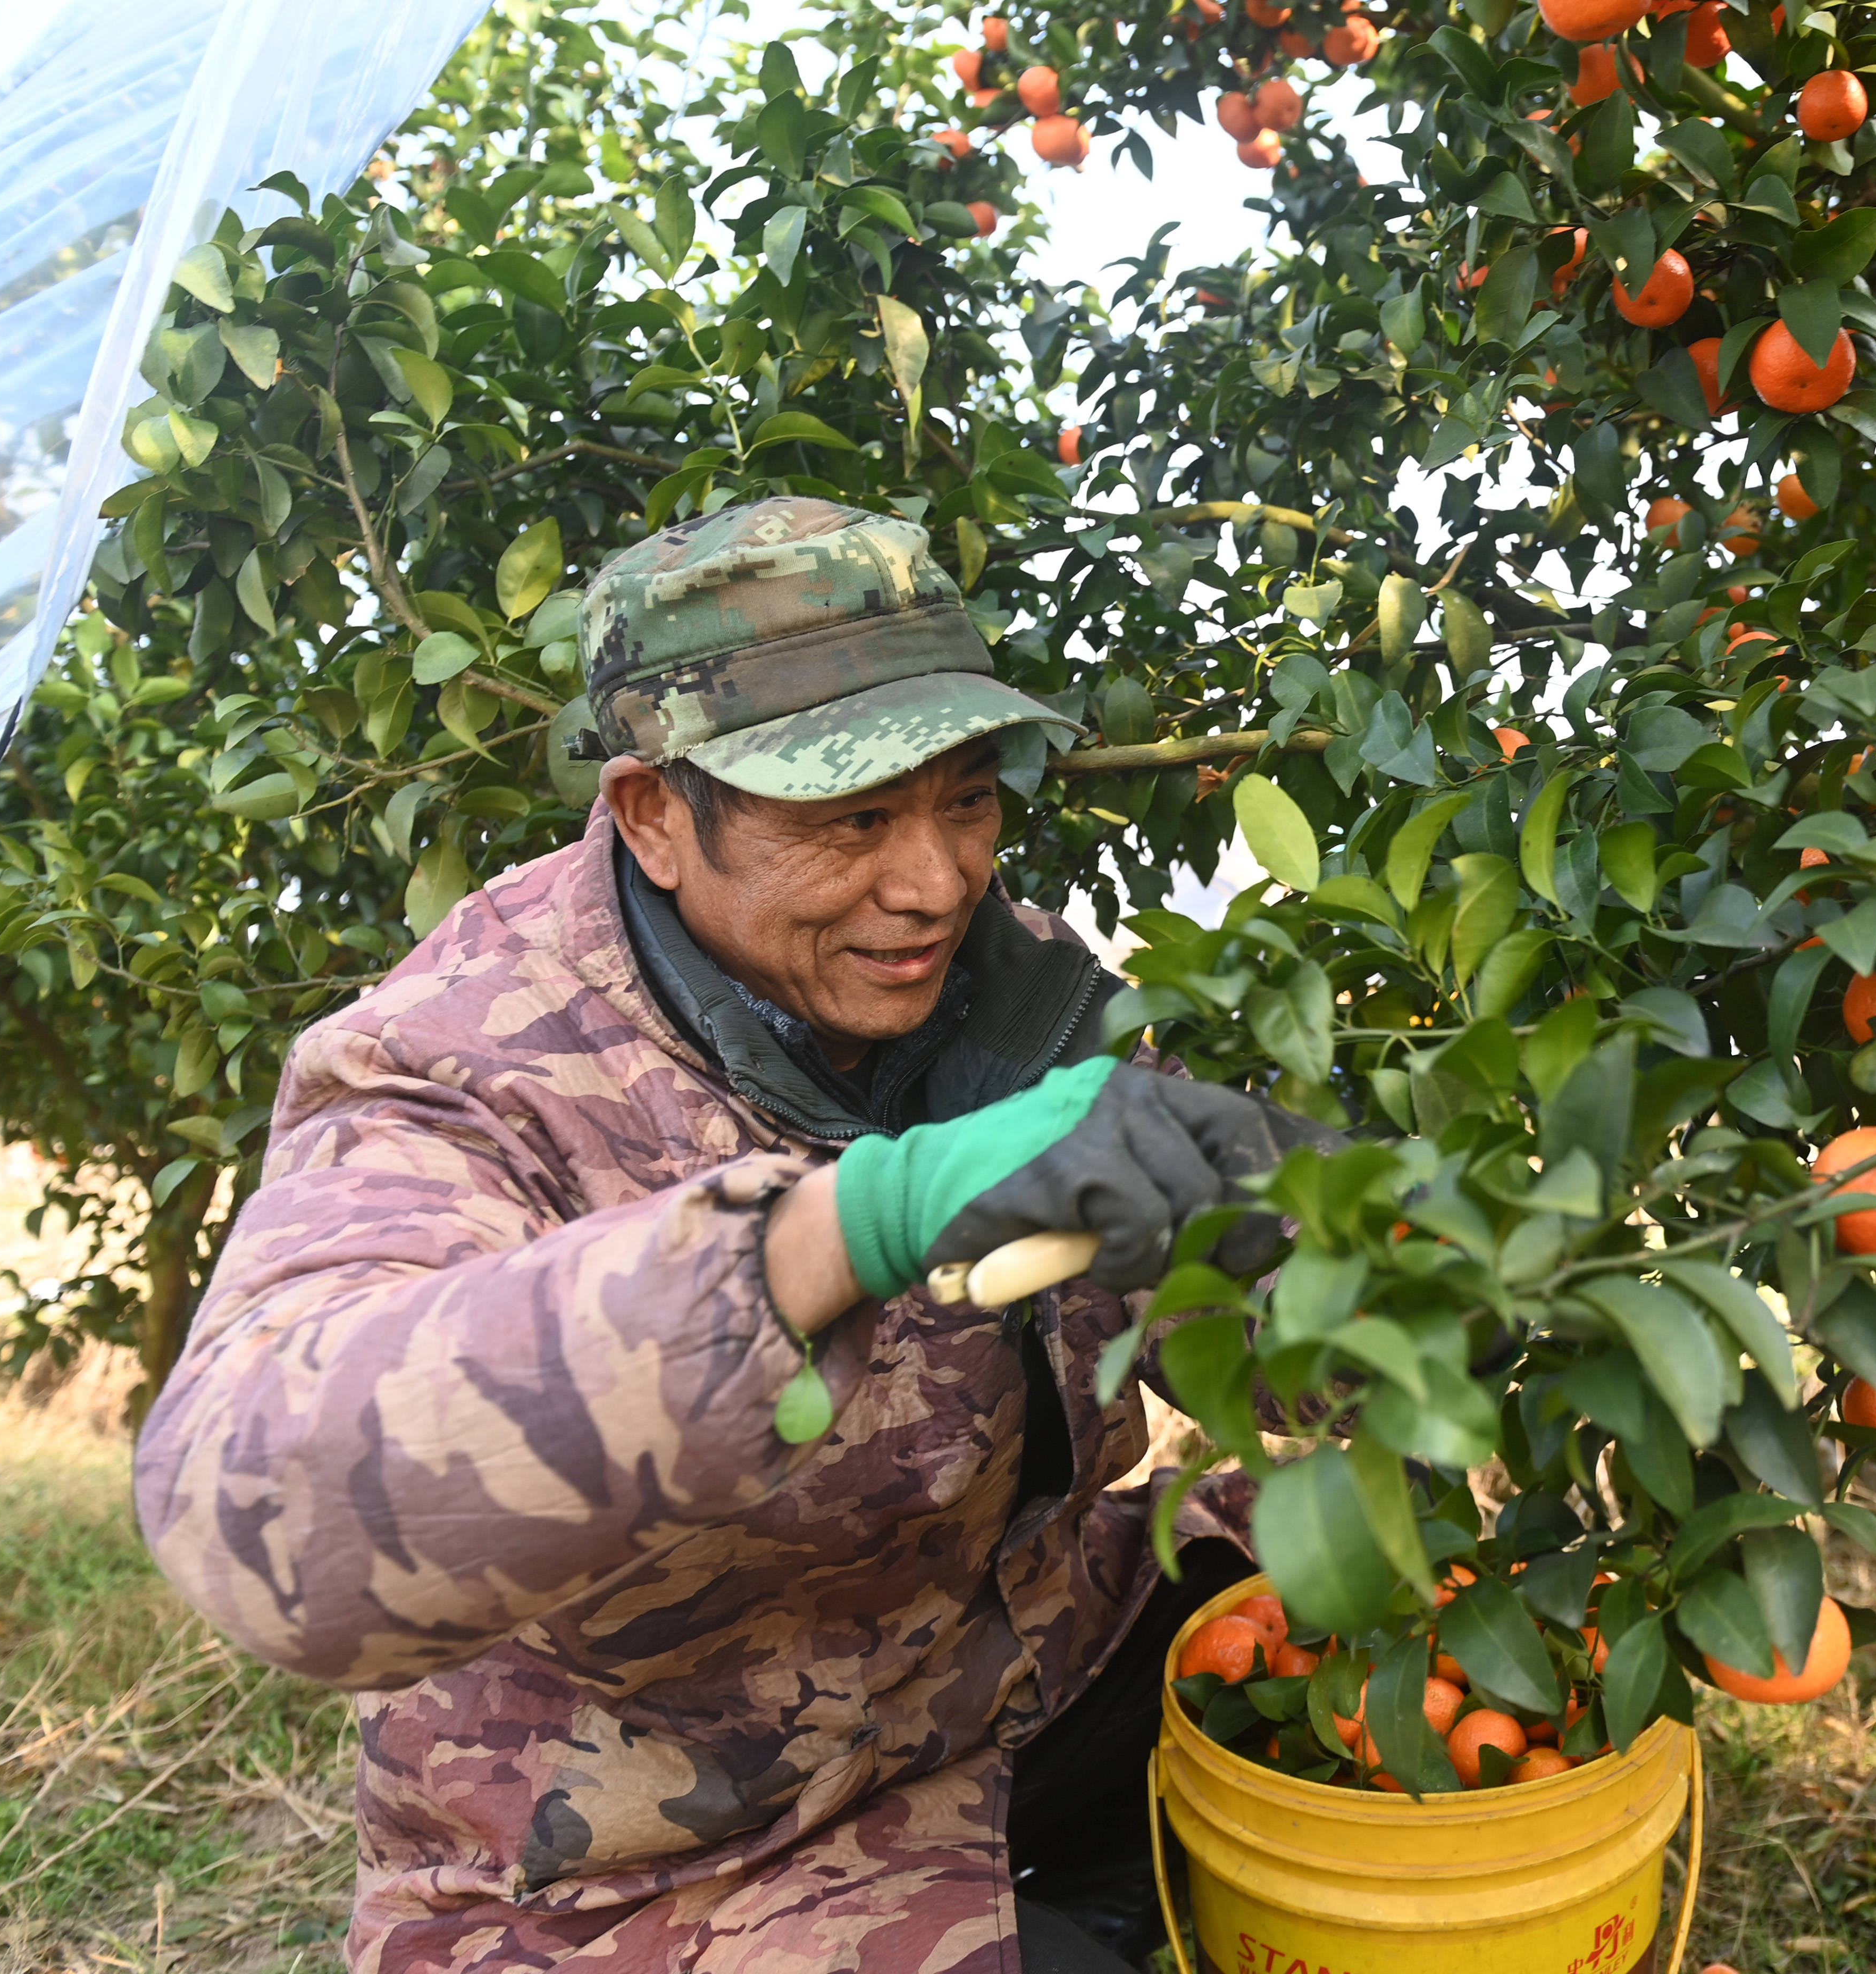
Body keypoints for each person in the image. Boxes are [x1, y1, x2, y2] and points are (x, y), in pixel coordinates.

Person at [134, 497, 1335, 1972]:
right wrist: (836, 1233)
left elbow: (1252, 1333)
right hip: (673, 1865)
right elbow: (257, 1514)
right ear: (653, 813)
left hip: (1009, 1687)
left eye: (968, 798)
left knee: (1333, 1611)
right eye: (851, 816)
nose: (936, 882)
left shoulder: (1010, 992)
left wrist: (1360, 1264)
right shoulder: (460, 1068)